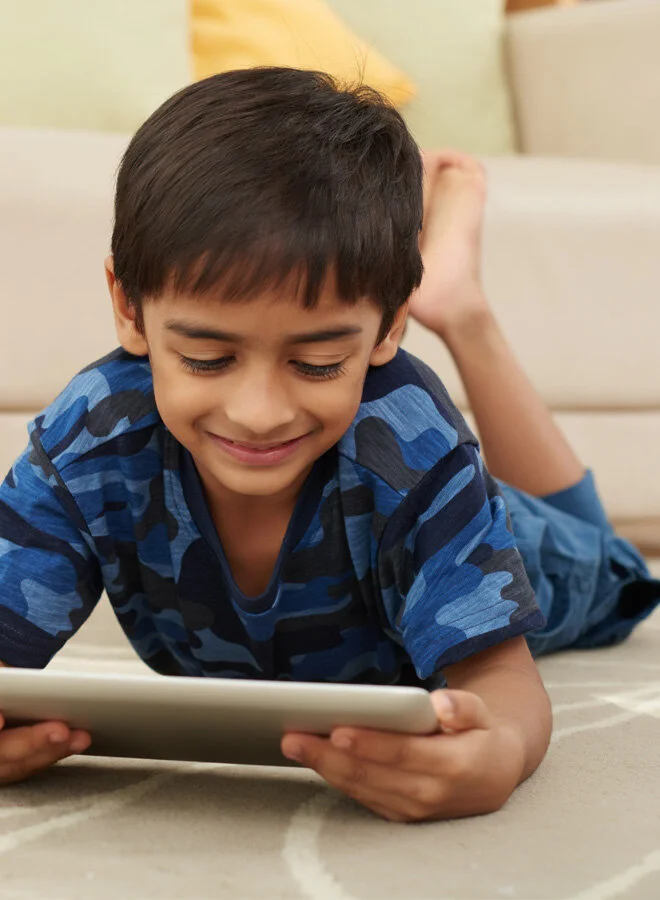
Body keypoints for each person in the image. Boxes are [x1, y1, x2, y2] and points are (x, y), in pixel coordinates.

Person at [0, 69, 658, 823]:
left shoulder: (413, 450)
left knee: (608, 562)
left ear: (384, 330)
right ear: (129, 307)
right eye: (207, 358)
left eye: (316, 365)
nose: (257, 413)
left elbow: (501, 681)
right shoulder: (90, 439)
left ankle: (461, 309)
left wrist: (500, 752)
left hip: (491, 530)